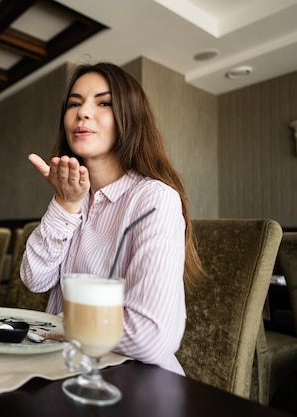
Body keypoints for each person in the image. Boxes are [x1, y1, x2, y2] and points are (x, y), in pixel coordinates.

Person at [20, 61, 203, 375]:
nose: (83, 112)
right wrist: (65, 204)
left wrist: (58, 327)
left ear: (130, 118)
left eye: (104, 103)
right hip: (69, 369)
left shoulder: (154, 199)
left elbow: (150, 338)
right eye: (74, 103)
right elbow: (34, 279)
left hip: (137, 381)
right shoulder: (74, 197)